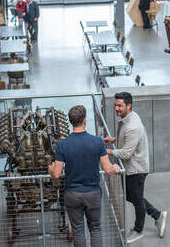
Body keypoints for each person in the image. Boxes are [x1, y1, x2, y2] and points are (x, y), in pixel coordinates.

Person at [50, 105, 121, 247]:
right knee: (95, 228)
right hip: (92, 193)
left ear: (71, 122)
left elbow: (56, 174)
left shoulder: (62, 145)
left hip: (72, 194)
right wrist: (116, 168)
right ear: (84, 121)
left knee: (78, 231)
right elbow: (107, 169)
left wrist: (50, 169)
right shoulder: (98, 142)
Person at [104, 92, 167, 243]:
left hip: (136, 169)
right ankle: (158, 215)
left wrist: (108, 151)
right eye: (115, 106)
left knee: (137, 201)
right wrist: (114, 139)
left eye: (120, 106)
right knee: (131, 197)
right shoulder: (129, 117)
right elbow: (128, 141)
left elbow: (126, 153)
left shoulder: (132, 126)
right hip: (132, 167)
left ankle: (138, 230)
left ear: (129, 106)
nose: (117, 109)